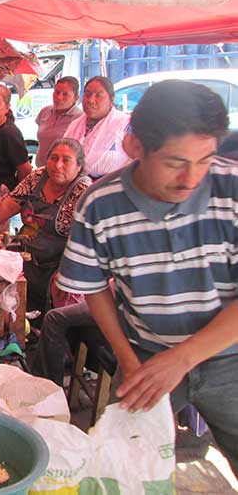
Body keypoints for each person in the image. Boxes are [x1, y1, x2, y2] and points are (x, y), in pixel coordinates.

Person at [58, 80, 238, 477]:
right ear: (134, 146)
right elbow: (94, 290)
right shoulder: (100, 206)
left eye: (205, 159)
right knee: (119, 466)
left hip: (229, 360)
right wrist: (128, 358)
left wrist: (183, 358)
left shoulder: (232, 188)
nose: (191, 179)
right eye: (175, 162)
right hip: (143, 355)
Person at [0, 138, 91, 313]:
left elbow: (86, 242)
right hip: (23, 257)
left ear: (79, 166)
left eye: (66, 160)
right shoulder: (38, 177)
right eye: (54, 158)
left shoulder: (83, 191)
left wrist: (66, 272)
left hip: (57, 269)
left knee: (51, 319)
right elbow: (10, 204)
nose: (57, 165)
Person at [63, 76, 131, 179]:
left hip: (112, 188)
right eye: (87, 94)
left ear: (111, 100)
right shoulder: (75, 125)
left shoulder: (125, 124)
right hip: (75, 188)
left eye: (98, 95)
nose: (91, 100)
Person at [34, 76, 84, 166]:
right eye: (56, 92)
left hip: (62, 172)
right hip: (41, 169)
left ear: (76, 98)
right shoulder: (45, 111)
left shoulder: (80, 118)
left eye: (65, 94)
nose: (59, 97)